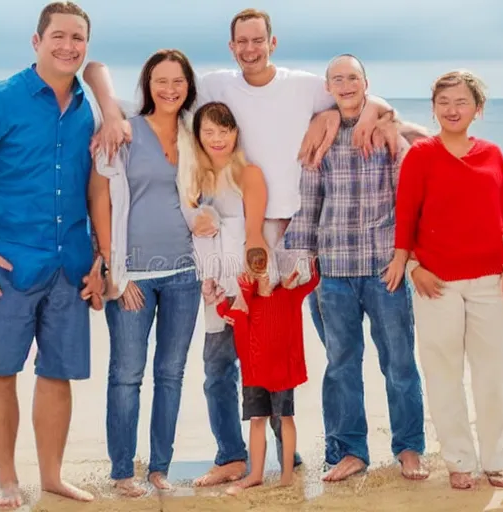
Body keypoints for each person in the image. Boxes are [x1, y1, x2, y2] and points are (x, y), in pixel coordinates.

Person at [84, 8, 408, 487]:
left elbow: (355, 93)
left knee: (297, 350)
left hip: (296, 236)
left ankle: (301, 454)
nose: (251, 49)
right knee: (220, 357)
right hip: (226, 239)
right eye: (242, 42)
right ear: (231, 46)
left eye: (259, 40)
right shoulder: (215, 85)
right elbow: (112, 78)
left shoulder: (302, 85)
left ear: (272, 42)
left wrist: (383, 114)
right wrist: (111, 110)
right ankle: (233, 455)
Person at [0, 2, 102, 509]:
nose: (68, 46)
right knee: (2, 370)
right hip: (7, 266)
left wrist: (100, 257)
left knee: (58, 375)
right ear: (37, 41)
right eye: (58, 36)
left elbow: (97, 186)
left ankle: (52, 476)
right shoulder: (1, 100)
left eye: (77, 38)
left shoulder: (88, 107)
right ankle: (8, 479)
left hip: (70, 264)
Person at [285, 55, 427, 483]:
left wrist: (405, 256)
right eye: (337, 79)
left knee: (399, 363)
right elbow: (309, 201)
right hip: (333, 272)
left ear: (366, 83)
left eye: (352, 78)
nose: (345, 85)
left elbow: (409, 201)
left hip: (385, 269)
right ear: (328, 87)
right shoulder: (321, 133)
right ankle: (349, 451)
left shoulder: (387, 131)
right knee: (340, 365)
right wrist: (300, 258)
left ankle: (409, 448)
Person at [394, 70, 503, 490]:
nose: (452, 110)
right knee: (442, 373)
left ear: (478, 109)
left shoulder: (493, 153)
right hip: (436, 283)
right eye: (444, 102)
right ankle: (458, 460)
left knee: (492, 375)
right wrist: (413, 266)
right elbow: (406, 214)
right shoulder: (420, 155)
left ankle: (497, 459)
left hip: (490, 280)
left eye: (461, 102)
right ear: (433, 107)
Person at [87, 49, 202, 496]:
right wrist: (118, 270)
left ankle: (159, 468)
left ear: (189, 86)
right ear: (147, 85)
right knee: (127, 374)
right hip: (133, 274)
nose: (170, 89)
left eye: (178, 81)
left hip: (185, 274)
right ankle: (121, 471)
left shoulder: (196, 133)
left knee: (171, 374)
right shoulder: (125, 129)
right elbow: (100, 196)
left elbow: (208, 193)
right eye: (161, 81)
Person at [216, 259, 320, 495]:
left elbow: (313, 279)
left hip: (283, 372)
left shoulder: (289, 294)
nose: (264, 277)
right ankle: (255, 475)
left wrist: (307, 262)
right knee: (256, 420)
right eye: (258, 273)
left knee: (285, 418)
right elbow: (225, 311)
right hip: (254, 374)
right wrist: (222, 296)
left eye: (267, 272)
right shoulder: (247, 303)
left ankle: (286, 476)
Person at [186, 101, 268, 335]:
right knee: (215, 361)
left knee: (253, 357)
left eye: (224, 131)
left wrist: (247, 292)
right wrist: (207, 279)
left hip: (242, 281)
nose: (217, 139)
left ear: (235, 133)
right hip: (210, 285)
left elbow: (254, 236)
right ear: (198, 136)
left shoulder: (249, 174)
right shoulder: (194, 178)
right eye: (209, 132)